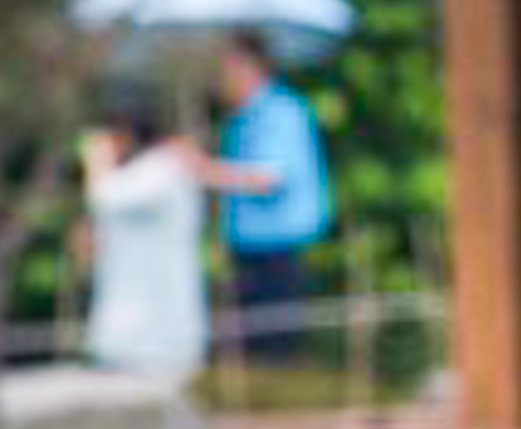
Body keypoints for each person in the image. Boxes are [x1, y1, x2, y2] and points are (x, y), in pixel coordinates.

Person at [192, 30, 335, 365]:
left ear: (248, 66)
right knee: (251, 347)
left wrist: (202, 169)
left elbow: (267, 179)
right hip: (251, 248)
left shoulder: (281, 112)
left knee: (275, 348)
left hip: (278, 248)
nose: (220, 77)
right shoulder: (242, 118)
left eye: (224, 66)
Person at [72, 91, 209, 385]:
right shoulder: (141, 173)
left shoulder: (163, 169)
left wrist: (97, 163)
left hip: (159, 337)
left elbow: (106, 197)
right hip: (128, 335)